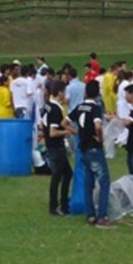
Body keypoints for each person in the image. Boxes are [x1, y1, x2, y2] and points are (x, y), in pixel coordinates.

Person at [72, 79, 113, 227]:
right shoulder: (95, 108)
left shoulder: (80, 107)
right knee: (104, 181)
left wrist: (76, 132)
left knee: (88, 182)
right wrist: (100, 139)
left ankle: (90, 215)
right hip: (94, 148)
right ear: (97, 93)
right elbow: (97, 126)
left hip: (82, 147)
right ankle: (102, 216)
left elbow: (65, 122)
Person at [42, 79, 75, 215]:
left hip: (52, 146)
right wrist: (67, 132)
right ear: (60, 93)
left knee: (66, 174)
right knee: (58, 176)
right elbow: (53, 132)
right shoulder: (55, 109)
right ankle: (56, 205)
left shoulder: (47, 105)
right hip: (56, 146)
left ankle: (62, 203)